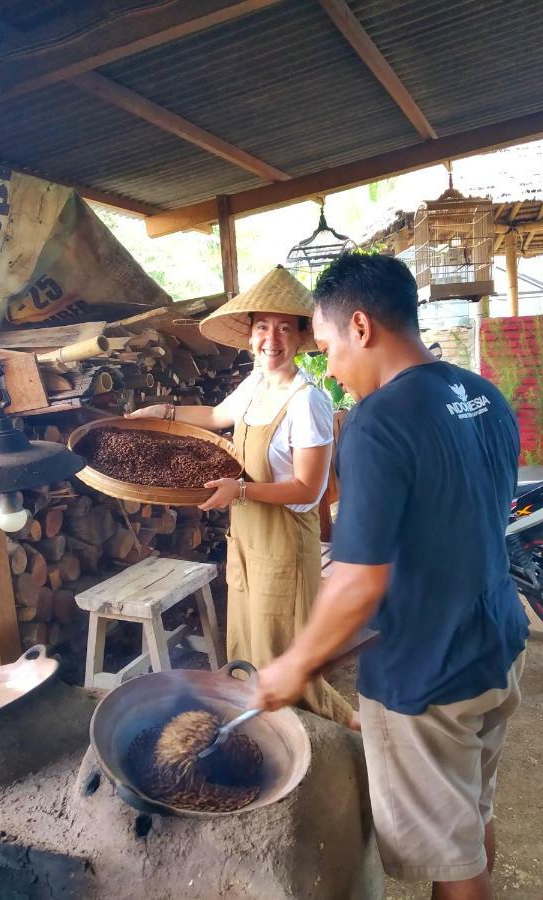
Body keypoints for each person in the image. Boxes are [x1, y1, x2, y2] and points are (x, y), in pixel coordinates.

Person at [252, 253, 530, 900]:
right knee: (469, 819)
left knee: (450, 862)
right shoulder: (483, 395)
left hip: (428, 675)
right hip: (498, 645)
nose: (330, 369)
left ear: (360, 326)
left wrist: (293, 665)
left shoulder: (377, 423)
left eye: (325, 348)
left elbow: (356, 581)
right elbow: (464, 525)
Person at [126, 266, 356, 728]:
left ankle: (322, 739)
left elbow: (308, 488)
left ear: (300, 337)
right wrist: (164, 411)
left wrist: (242, 490)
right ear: (250, 336)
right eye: (263, 327)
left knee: (285, 654)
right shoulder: (254, 385)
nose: (272, 339)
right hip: (249, 543)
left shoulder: (306, 400)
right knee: (249, 647)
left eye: (284, 328)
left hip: (285, 546)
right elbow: (213, 414)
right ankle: (259, 727)